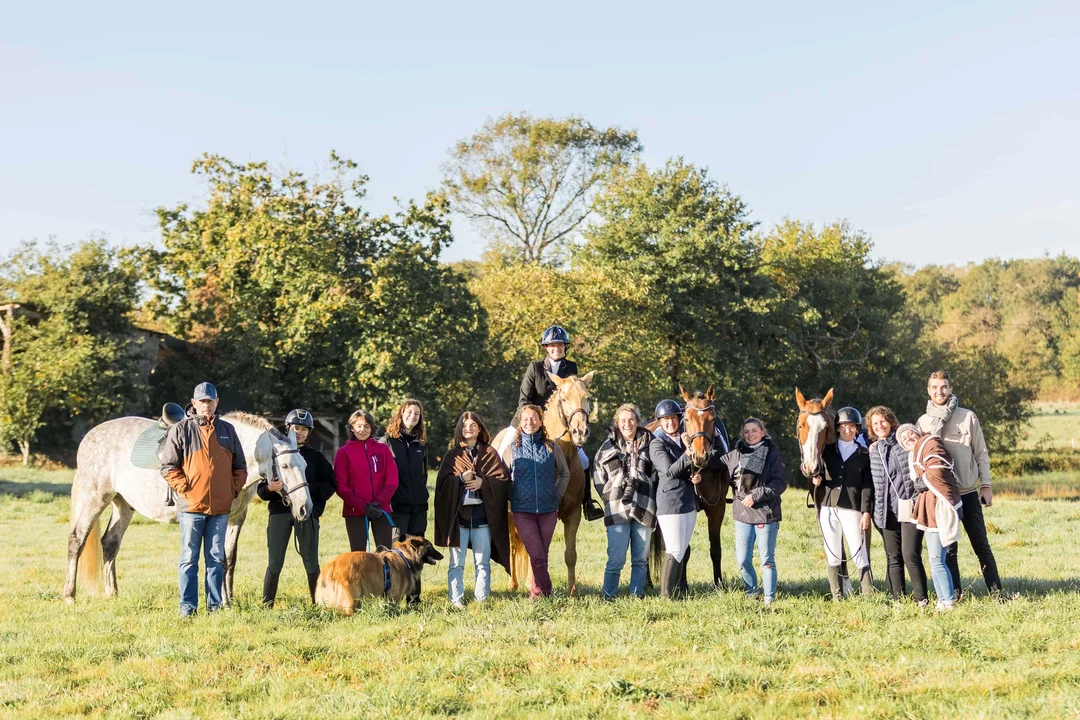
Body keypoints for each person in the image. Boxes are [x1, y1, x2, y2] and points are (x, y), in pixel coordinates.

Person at [159, 382, 247, 617]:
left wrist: (231, 491)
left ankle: (215, 607)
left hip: (220, 508)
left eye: (210, 401)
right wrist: (184, 489)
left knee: (216, 558)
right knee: (189, 558)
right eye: (202, 401)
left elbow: (240, 467)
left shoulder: (228, 430)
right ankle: (188, 608)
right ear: (194, 403)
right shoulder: (181, 430)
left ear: (216, 402)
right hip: (191, 507)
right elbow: (168, 466)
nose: (206, 405)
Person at [916, 370, 1002, 599]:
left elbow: (981, 453)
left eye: (943, 387)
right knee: (949, 550)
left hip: (967, 492)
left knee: (981, 545)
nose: (939, 391)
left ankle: (997, 593)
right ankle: (956, 594)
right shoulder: (924, 422)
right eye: (934, 387)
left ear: (950, 388)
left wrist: (986, 485)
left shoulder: (967, 417)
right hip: (942, 498)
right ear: (928, 390)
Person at [257, 409, 337, 607]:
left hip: (307, 514)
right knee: (274, 562)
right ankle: (267, 605)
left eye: (303, 429)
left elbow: (331, 484)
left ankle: (318, 604)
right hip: (279, 512)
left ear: (309, 432)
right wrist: (269, 488)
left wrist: (312, 495)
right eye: (295, 428)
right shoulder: (275, 454)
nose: (299, 432)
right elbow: (261, 488)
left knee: (311, 562)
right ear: (288, 429)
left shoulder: (316, 457)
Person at [434, 412, 511, 607]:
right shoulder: (452, 456)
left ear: (479, 428)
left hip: (482, 519)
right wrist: (460, 479)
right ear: (460, 429)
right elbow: (442, 486)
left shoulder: (490, 453)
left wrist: (482, 483)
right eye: (465, 425)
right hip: (459, 519)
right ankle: (456, 599)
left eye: (473, 425)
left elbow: (502, 481)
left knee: (482, 562)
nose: (469, 428)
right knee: (456, 564)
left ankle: (481, 598)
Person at [650, 399, 723, 599]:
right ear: (660, 422)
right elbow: (669, 471)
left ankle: (679, 591)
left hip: (688, 502)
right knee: (673, 549)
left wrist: (696, 476)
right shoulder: (657, 443)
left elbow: (687, 471)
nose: (670, 423)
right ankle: (666, 595)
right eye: (665, 420)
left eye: (673, 419)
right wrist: (689, 453)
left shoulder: (683, 440)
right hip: (669, 503)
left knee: (682, 549)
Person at [501, 404, 570, 599]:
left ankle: (536, 592)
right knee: (537, 554)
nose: (530, 422)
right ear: (520, 423)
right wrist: (512, 496)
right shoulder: (511, 449)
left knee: (542, 555)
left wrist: (556, 496)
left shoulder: (552, 446)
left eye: (534, 419)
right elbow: (503, 478)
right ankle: (547, 592)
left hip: (548, 510)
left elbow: (564, 474)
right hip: (523, 511)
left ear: (541, 421)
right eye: (525, 419)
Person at [592, 403, 657, 600]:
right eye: (623, 420)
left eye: (631, 420)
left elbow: (657, 473)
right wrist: (610, 495)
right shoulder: (606, 447)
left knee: (640, 559)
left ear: (638, 421)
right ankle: (608, 595)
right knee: (616, 559)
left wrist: (648, 490)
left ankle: (636, 596)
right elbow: (597, 475)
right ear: (617, 423)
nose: (627, 424)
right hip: (616, 509)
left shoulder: (650, 443)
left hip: (644, 506)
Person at [721, 418, 787, 605]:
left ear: (763, 432)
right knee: (742, 560)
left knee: (766, 559)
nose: (750, 434)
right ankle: (752, 592)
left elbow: (780, 483)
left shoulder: (772, 453)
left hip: (765, 513)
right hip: (742, 514)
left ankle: (769, 598)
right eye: (746, 431)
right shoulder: (736, 454)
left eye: (754, 430)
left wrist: (757, 495)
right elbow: (717, 468)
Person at [866, 406, 928, 605]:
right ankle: (898, 600)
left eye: (882, 421)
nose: (879, 426)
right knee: (893, 557)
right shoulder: (873, 451)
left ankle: (921, 599)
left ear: (891, 421)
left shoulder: (904, 443)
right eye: (875, 423)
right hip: (886, 512)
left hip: (910, 508)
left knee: (910, 555)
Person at [897, 423, 962, 610]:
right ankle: (943, 599)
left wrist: (924, 480)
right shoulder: (915, 454)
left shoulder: (930, 442)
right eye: (903, 438)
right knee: (936, 559)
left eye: (909, 433)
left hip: (939, 507)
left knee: (936, 559)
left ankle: (947, 600)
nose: (907, 438)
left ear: (917, 433)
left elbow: (939, 466)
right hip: (930, 507)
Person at [816, 406, 874, 599]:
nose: (847, 430)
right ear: (838, 428)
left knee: (859, 553)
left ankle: (868, 595)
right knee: (832, 552)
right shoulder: (827, 451)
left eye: (851, 427)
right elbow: (818, 472)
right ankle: (837, 596)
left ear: (857, 429)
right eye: (843, 426)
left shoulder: (864, 455)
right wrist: (817, 479)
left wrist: (866, 512)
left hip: (852, 508)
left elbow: (867, 486)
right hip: (829, 506)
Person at [380, 399, 429, 603]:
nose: (413, 416)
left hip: (418, 508)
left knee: (417, 554)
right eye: (409, 412)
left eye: (416, 413)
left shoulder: (421, 445)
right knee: (398, 555)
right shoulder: (387, 442)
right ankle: (393, 597)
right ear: (401, 414)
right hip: (397, 509)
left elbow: (424, 475)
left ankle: (415, 598)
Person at [335, 409, 399, 552]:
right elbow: (341, 486)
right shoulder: (343, 453)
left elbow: (392, 480)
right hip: (355, 511)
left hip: (381, 510)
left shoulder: (383, 449)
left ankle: (385, 575)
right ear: (352, 428)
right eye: (359, 426)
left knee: (386, 553)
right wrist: (363, 506)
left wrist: (378, 503)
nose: (362, 430)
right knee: (359, 555)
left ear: (372, 428)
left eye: (366, 426)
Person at [519, 325, 579, 409]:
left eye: (560, 345)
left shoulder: (571, 367)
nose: (556, 348)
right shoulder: (535, 367)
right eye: (552, 345)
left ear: (565, 346)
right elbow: (525, 399)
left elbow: (573, 396)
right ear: (546, 347)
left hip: (562, 415)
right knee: (515, 422)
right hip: (536, 416)